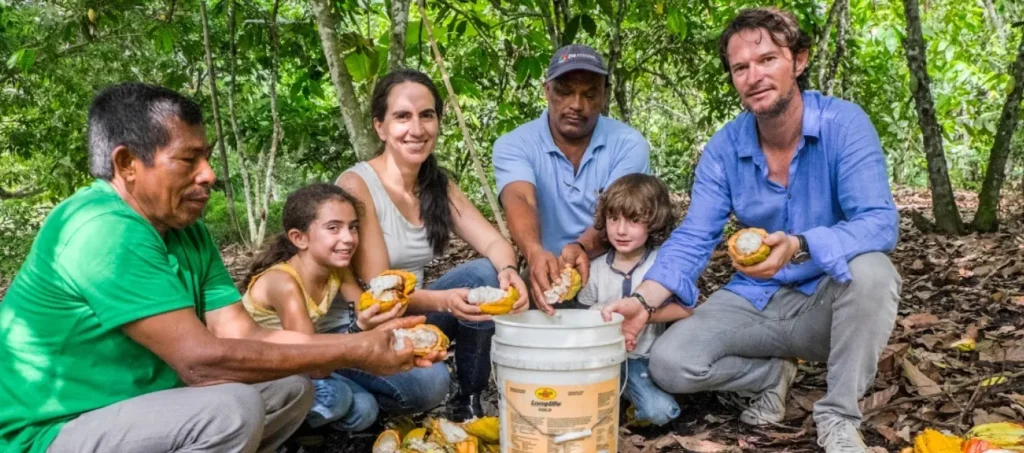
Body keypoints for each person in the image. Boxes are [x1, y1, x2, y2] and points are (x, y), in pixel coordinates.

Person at [0, 83, 442, 453]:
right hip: (56, 430)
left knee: (292, 389)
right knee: (232, 410)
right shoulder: (102, 229)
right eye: (188, 160)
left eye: (206, 157)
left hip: (142, 405)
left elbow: (245, 335)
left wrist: (370, 343)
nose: (209, 174)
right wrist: (356, 350)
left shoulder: (186, 229)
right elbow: (200, 363)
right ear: (127, 164)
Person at [600, 8, 901, 453]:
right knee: (670, 363)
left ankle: (838, 416)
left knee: (874, 272)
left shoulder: (843, 124)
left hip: (829, 300)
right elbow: (695, 235)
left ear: (799, 60)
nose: (754, 76)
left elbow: (879, 221)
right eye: (740, 68)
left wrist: (800, 245)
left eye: (767, 60)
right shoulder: (725, 147)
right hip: (756, 298)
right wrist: (643, 301)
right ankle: (770, 375)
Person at [337, 69, 529, 422]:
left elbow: (494, 242)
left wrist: (508, 273)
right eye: (402, 116)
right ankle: (347, 382)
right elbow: (380, 287)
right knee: (430, 384)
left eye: (426, 115)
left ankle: (468, 402)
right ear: (380, 127)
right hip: (359, 324)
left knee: (485, 273)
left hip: (411, 315)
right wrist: (445, 301)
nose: (417, 129)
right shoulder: (357, 185)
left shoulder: (436, 184)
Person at [492, 44, 651, 313]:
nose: (577, 105)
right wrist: (534, 252)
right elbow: (520, 199)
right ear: (547, 91)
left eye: (589, 94)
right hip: (546, 265)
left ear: (604, 95)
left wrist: (582, 247)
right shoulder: (514, 144)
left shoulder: (629, 143)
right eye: (565, 92)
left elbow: (620, 211)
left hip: (614, 263)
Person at [242, 183, 408, 433]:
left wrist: (391, 306)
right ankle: (283, 430)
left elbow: (366, 306)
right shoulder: (283, 283)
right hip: (266, 376)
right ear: (299, 238)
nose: (348, 238)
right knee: (336, 396)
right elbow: (312, 363)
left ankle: (312, 429)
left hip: (302, 366)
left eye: (353, 227)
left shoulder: (337, 269)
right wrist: (360, 329)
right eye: (333, 228)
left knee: (365, 409)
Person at [576, 174, 688, 427]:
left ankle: (631, 407)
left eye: (634, 221)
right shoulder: (595, 269)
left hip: (644, 359)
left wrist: (645, 314)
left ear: (655, 221)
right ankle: (619, 401)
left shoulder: (662, 264)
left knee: (661, 412)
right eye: (614, 219)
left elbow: (687, 311)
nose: (621, 230)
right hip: (601, 360)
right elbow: (581, 316)